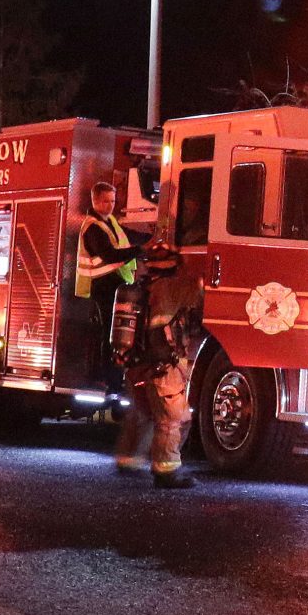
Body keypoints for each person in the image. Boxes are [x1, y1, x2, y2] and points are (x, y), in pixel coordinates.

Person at [114, 237, 204, 489]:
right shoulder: (174, 288)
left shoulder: (142, 288)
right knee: (174, 419)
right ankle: (166, 472)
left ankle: (128, 459)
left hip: (138, 367)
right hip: (163, 368)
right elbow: (199, 293)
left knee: (142, 414)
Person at [74, 180, 141, 380]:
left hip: (113, 282)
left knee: (114, 329)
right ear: (95, 201)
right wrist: (139, 251)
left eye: (112, 201)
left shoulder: (109, 221)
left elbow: (128, 235)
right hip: (100, 285)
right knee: (108, 332)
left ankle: (111, 373)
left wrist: (150, 238)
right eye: (105, 201)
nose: (110, 205)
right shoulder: (93, 227)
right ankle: (105, 374)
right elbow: (109, 255)